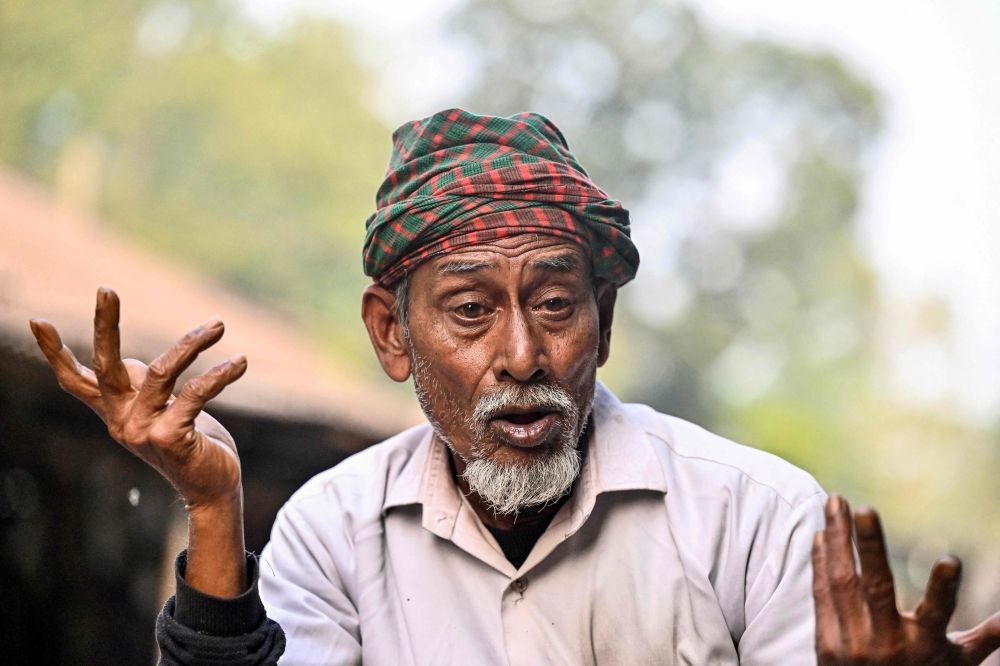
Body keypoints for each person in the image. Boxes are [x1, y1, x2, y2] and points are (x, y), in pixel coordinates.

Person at [29, 109, 999, 665]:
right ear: (389, 334)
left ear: (605, 325)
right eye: (468, 311)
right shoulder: (335, 529)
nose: (523, 355)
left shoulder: (758, 520)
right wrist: (213, 505)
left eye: (555, 304)